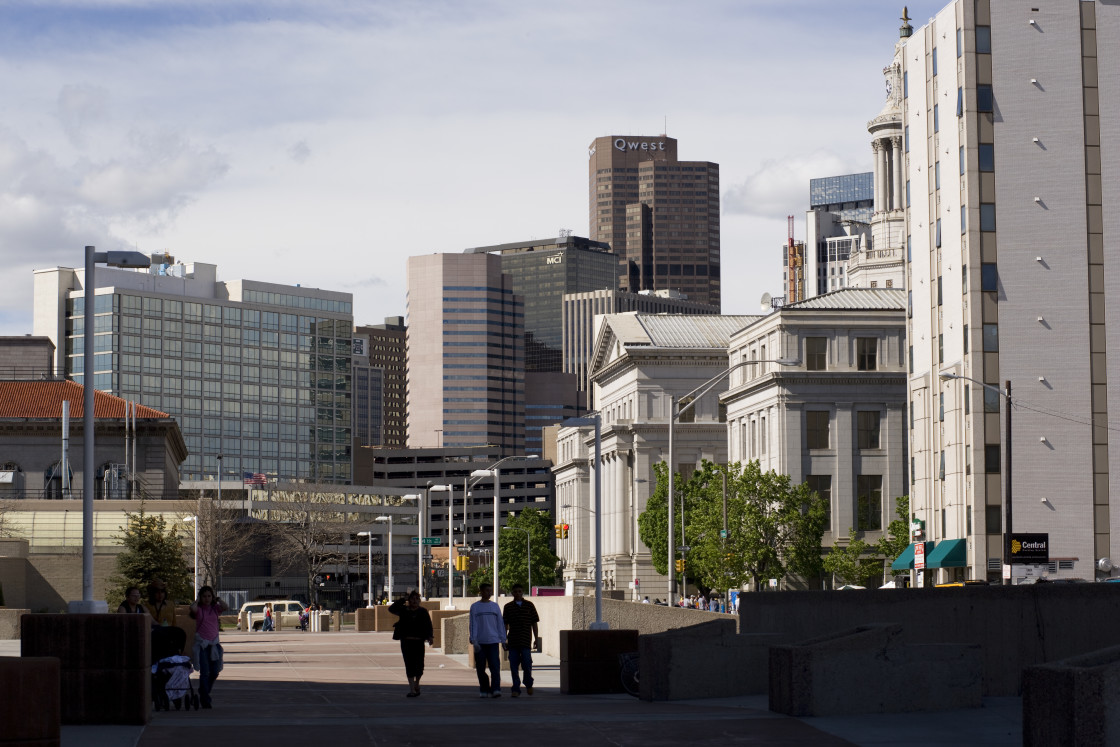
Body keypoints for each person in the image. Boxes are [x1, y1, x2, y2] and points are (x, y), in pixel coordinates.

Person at [388, 590, 434, 697]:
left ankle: (417, 683)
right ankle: (412, 689)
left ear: (419, 601)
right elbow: (391, 609)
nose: (414, 601)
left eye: (416, 599)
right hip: (406, 642)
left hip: (419, 642)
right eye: (412, 599)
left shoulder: (423, 611)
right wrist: (403, 599)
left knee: (419, 666)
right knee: (409, 665)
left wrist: (430, 636)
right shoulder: (403, 610)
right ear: (409, 600)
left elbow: (428, 625)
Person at [189, 585, 227, 709]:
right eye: (204, 596)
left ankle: (203, 691)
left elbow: (226, 607)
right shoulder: (199, 609)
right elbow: (192, 608)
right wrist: (198, 600)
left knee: (215, 671)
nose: (207, 599)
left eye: (209, 596)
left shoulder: (215, 608)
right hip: (202, 645)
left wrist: (218, 599)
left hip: (214, 644)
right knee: (205, 672)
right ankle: (205, 699)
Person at [502, 584, 540, 698]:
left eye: (519, 591)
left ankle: (528, 683)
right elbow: (505, 625)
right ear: (512, 593)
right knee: (514, 666)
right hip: (513, 641)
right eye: (515, 592)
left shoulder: (529, 605)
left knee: (527, 664)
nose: (518, 593)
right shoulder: (508, 607)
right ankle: (516, 688)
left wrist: (536, 639)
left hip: (525, 641)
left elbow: (534, 623)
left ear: (522, 592)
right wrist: (504, 639)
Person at [469, 582, 506, 698]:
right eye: (486, 591)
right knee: (480, 668)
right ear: (481, 592)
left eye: (490, 590)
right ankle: (484, 688)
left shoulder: (495, 606)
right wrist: (474, 639)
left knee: (495, 666)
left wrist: (503, 639)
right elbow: (473, 624)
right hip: (480, 642)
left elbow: (500, 623)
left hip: (493, 641)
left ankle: (496, 689)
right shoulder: (475, 607)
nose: (489, 593)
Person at [146, 578, 186, 659]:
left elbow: (174, 621)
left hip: (169, 635)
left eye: (162, 592)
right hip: (156, 637)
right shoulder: (147, 606)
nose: (160, 595)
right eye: (157, 592)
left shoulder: (170, 604)